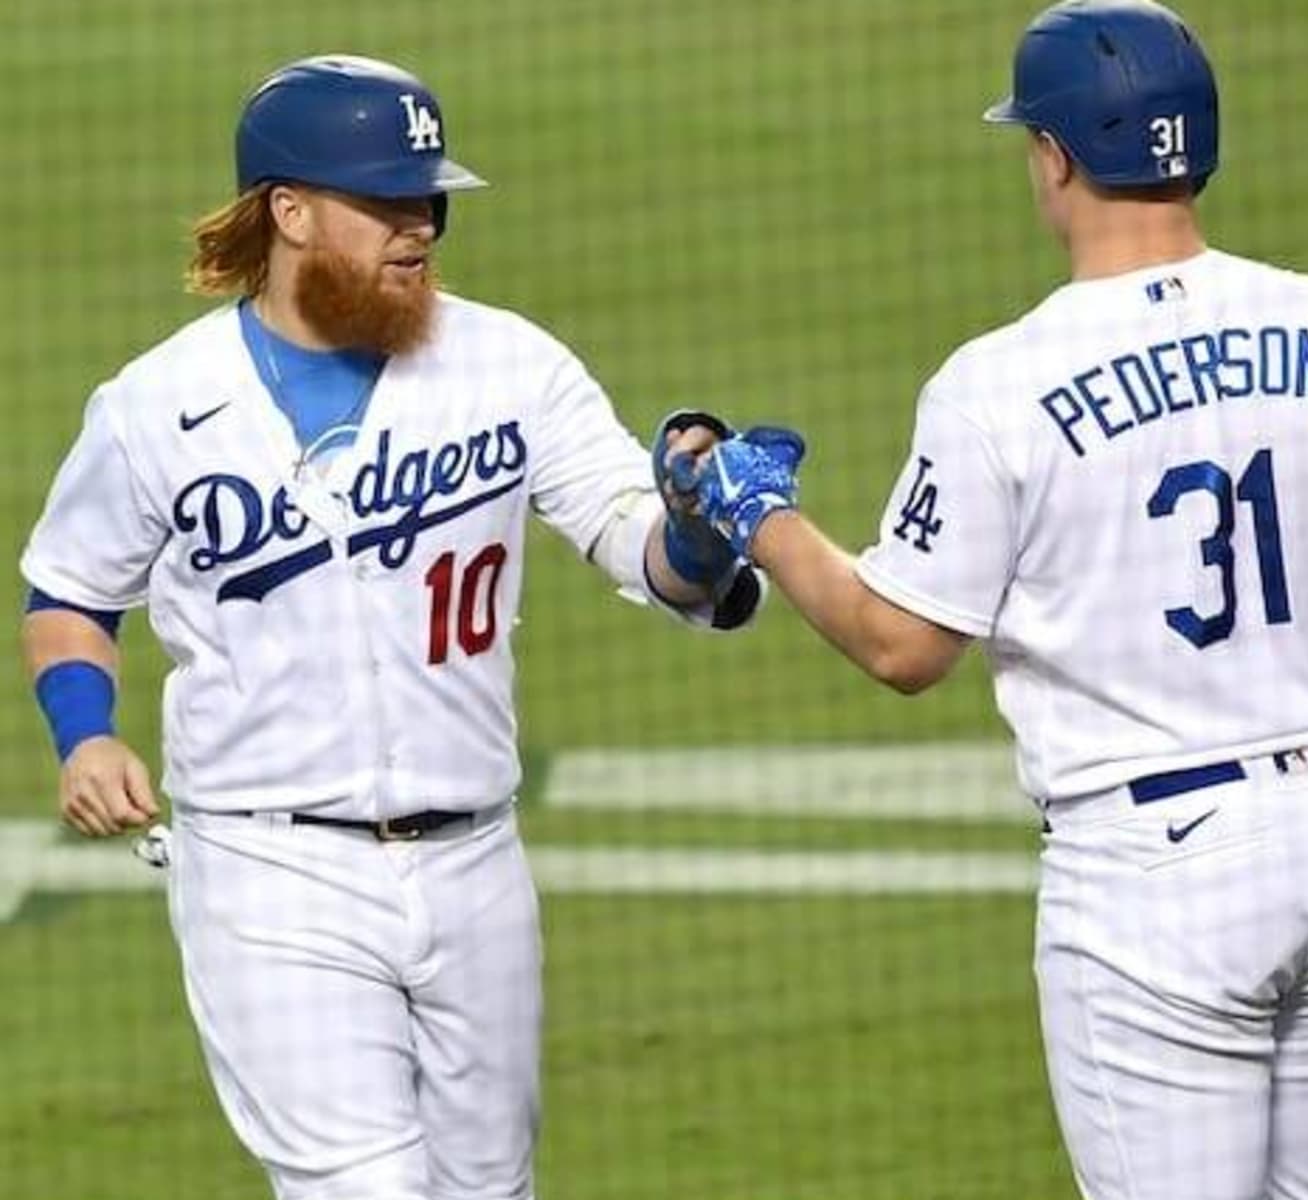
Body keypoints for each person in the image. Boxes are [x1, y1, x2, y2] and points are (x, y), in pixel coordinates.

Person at [658, 2, 1308, 1197]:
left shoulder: (999, 383)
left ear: (1052, 157)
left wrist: (759, 514)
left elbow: (901, 644)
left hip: (1160, 890)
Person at [20, 55, 758, 1200]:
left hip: (476, 867)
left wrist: (696, 528)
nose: (418, 228)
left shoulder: (507, 364)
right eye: (386, 204)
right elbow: (70, 590)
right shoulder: (156, 408)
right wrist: (86, 731)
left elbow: (636, 542)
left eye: (428, 202)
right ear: (291, 210)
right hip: (270, 870)